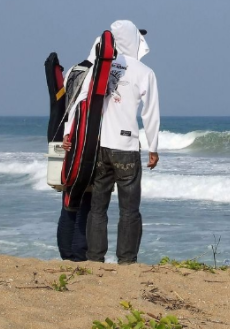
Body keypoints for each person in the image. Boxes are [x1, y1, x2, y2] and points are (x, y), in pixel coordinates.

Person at [63, 20, 160, 264]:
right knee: (129, 210)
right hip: (126, 148)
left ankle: (95, 260)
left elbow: (79, 100)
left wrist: (69, 132)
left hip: (99, 147)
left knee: (98, 207)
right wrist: (153, 148)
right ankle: (126, 261)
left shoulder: (99, 66)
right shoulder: (144, 72)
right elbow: (151, 113)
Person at [56, 37, 99, 261]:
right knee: (87, 199)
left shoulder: (73, 69)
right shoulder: (99, 75)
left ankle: (66, 251)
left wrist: (63, 133)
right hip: (84, 138)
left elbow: (65, 105)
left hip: (69, 139)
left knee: (69, 197)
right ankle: (78, 253)